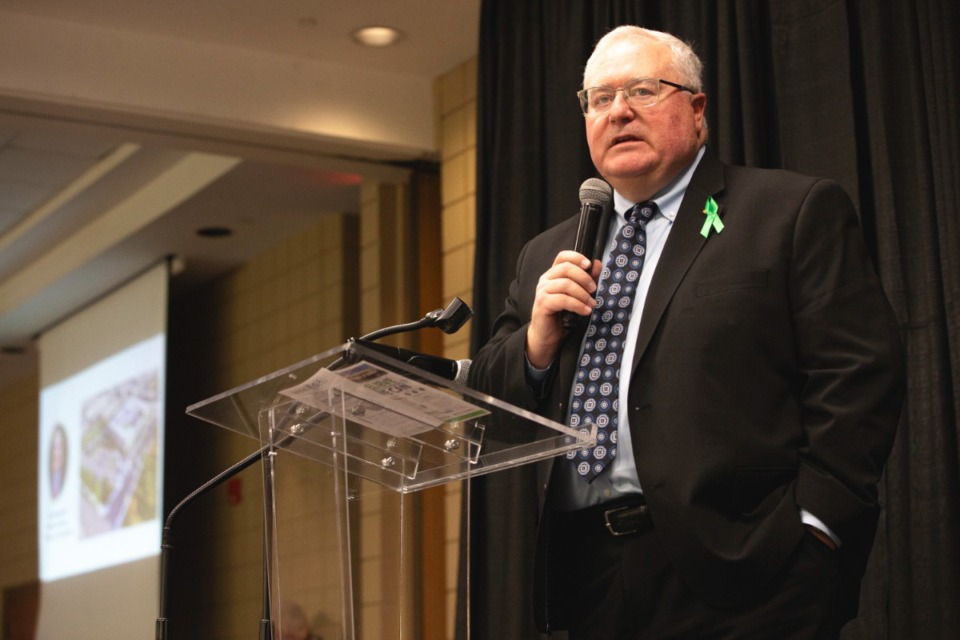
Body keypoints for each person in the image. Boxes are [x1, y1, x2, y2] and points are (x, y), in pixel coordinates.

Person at [468, 25, 905, 639]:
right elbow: (488, 405)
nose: (617, 111)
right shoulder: (549, 251)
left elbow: (858, 378)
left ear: (696, 110)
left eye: (642, 91)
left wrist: (817, 528)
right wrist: (536, 342)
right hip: (592, 576)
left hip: (752, 570)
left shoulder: (785, 211)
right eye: (599, 99)